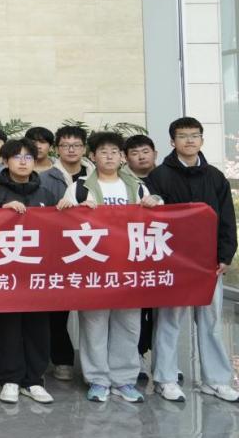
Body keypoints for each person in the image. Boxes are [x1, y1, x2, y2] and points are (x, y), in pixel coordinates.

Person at [57, 131, 159, 403]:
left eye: (115, 152)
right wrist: (70, 208)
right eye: (103, 152)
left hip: (129, 268)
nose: (110, 156)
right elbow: (65, 225)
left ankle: (124, 380)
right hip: (94, 268)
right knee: (94, 325)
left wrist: (155, 203)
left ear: (123, 157)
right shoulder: (80, 187)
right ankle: (98, 379)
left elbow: (155, 221)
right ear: (93, 156)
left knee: (129, 325)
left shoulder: (137, 187)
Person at [146, 117, 239, 402]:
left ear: (201, 139)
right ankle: (165, 378)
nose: (189, 140)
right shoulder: (159, 176)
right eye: (183, 136)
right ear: (172, 141)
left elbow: (227, 219)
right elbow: (150, 220)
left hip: (208, 262)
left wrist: (225, 255)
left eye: (194, 135)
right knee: (169, 319)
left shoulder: (215, 176)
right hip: (172, 260)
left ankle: (216, 380)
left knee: (210, 322)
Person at [0, 139, 59, 405]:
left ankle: (34, 380)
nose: (23, 162)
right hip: (6, 273)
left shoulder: (46, 194)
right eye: (17, 157)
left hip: (38, 274)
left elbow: (59, 232)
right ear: (5, 161)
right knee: (9, 327)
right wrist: (0, 212)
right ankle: (11, 379)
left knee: (38, 327)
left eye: (28, 157)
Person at [39, 125, 91, 382]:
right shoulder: (45, 178)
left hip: (93, 250)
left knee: (94, 311)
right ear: (57, 149)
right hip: (58, 251)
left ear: (84, 148)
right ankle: (62, 359)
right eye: (65, 145)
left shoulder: (98, 175)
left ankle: (96, 366)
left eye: (76, 145)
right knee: (57, 310)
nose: (71, 150)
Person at [125, 134, 159, 372]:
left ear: (154, 153)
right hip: (130, 253)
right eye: (135, 153)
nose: (141, 157)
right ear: (126, 158)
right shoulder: (122, 180)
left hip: (158, 250)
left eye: (145, 152)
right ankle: (136, 356)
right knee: (134, 310)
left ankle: (162, 361)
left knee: (160, 311)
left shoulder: (165, 177)